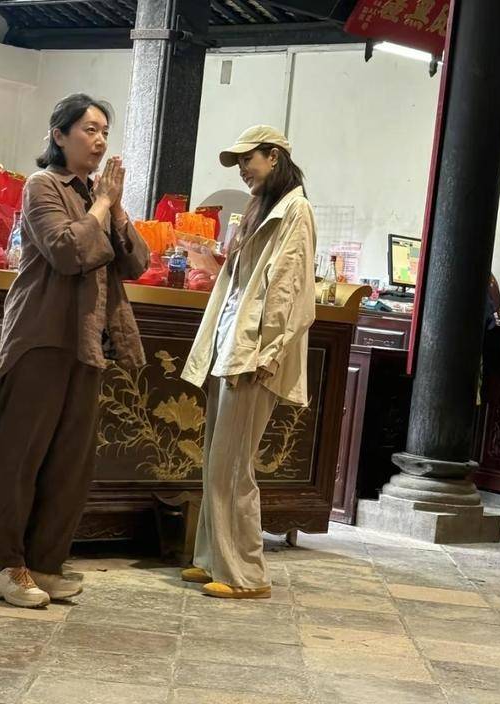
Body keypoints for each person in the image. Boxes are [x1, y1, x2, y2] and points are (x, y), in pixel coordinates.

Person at [0, 93, 149, 608]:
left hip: (87, 341)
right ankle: (3, 567)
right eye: (89, 130)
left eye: (105, 133)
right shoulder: (42, 186)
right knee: (18, 456)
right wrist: (101, 205)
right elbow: (67, 251)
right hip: (41, 334)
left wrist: (113, 205)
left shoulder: (99, 195)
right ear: (59, 135)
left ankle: (44, 565)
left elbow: (137, 262)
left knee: (69, 462)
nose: (99, 141)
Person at [181, 125, 316, 599]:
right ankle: (213, 559)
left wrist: (269, 352)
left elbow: (290, 287)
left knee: (234, 465)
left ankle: (246, 574)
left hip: (253, 353)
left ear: (274, 156)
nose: (242, 169)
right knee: (217, 459)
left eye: (248, 159)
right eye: (238, 162)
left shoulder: (295, 210)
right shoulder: (262, 208)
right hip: (232, 344)